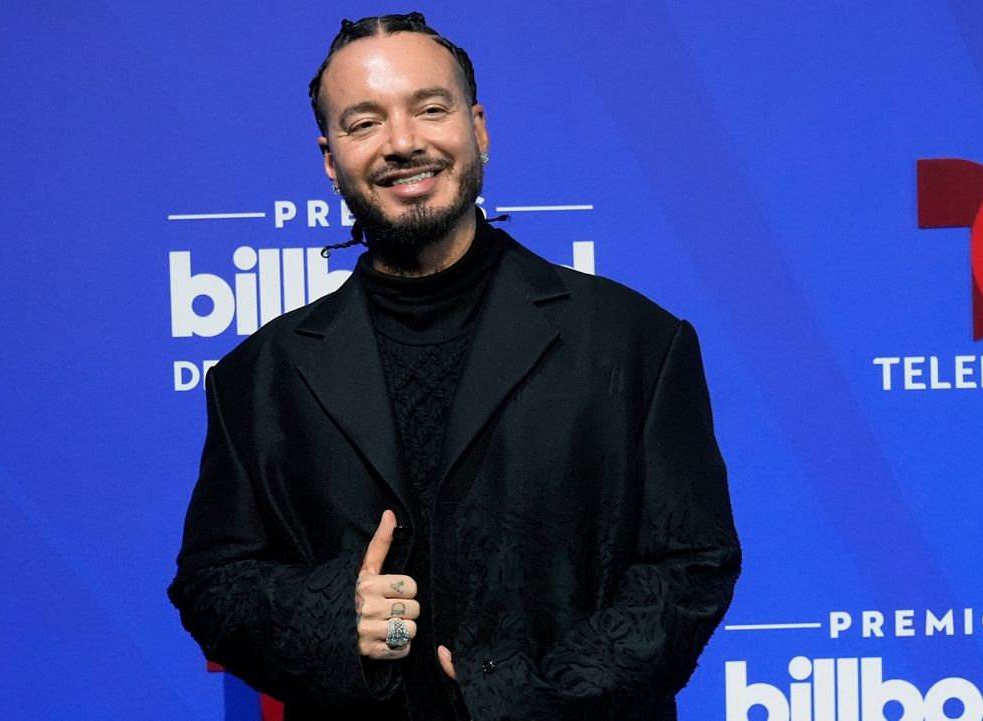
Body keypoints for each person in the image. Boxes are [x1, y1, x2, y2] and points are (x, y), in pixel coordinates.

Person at [168, 12, 740, 721]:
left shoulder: (636, 341)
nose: (403, 142)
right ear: (328, 156)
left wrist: (527, 696)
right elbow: (212, 582)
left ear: (479, 128)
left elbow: (689, 567)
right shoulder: (257, 378)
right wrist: (330, 617)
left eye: (429, 109)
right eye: (364, 122)